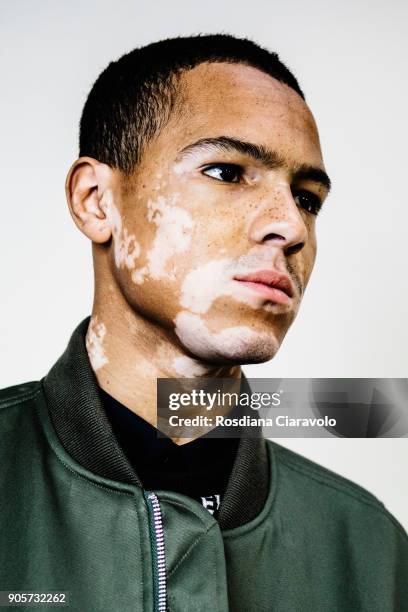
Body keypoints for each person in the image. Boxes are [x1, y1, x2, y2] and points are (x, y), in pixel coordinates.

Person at [0, 34, 406, 612]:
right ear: (96, 201)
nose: (290, 226)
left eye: (309, 198)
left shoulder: (369, 548)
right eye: (226, 171)